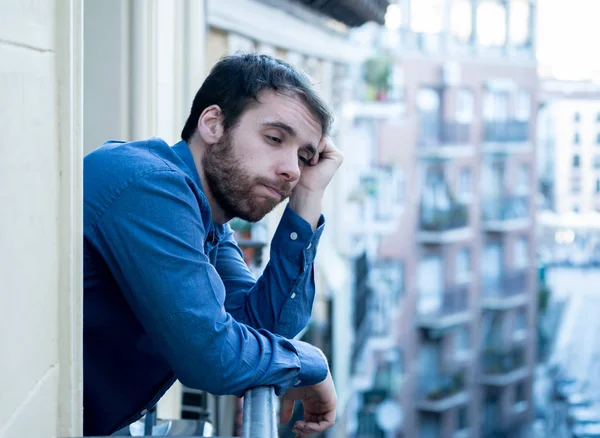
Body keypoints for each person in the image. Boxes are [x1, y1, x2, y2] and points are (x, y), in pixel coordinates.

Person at [83, 53, 343, 437]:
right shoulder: (151, 187)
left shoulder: (209, 221)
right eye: (275, 138)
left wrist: (307, 198)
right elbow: (212, 354)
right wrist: (311, 362)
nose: (292, 168)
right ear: (214, 123)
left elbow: (262, 326)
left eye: (304, 157)